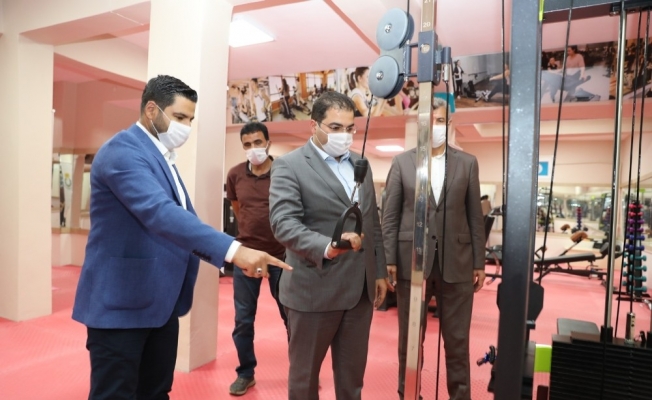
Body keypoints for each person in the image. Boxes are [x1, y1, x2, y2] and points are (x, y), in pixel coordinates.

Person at [72, 75, 291, 400]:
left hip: (159, 303)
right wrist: (234, 250)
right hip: (121, 305)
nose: (186, 127)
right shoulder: (122, 153)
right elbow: (160, 213)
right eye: (179, 117)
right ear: (151, 110)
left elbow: (183, 219)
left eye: (190, 119)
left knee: (156, 391)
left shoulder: (162, 157)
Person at [269, 91, 388, 400]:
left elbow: (372, 223)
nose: (343, 135)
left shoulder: (361, 163)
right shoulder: (289, 165)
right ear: (314, 126)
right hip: (313, 288)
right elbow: (283, 223)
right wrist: (327, 246)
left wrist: (378, 272)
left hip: (359, 291)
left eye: (349, 128)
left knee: (352, 382)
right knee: (305, 380)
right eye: (335, 127)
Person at [382, 97, 485, 400]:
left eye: (440, 121)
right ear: (420, 124)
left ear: (448, 124)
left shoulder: (467, 163)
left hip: (458, 262)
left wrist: (479, 262)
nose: (435, 126)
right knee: (411, 339)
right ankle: (408, 393)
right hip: (412, 262)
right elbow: (390, 216)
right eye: (430, 121)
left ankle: (460, 396)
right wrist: (389, 258)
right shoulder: (402, 163)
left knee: (457, 341)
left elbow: (475, 218)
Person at [226, 121, 288, 396]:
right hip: (247, 256)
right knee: (243, 320)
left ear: (268, 143)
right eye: (248, 144)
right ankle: (245, 373)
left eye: (258, 142)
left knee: (291, 317)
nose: (254, 148)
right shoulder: (235, 174)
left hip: (280, 256)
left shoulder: (285, 171)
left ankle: (302, 370)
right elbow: (238, 209)